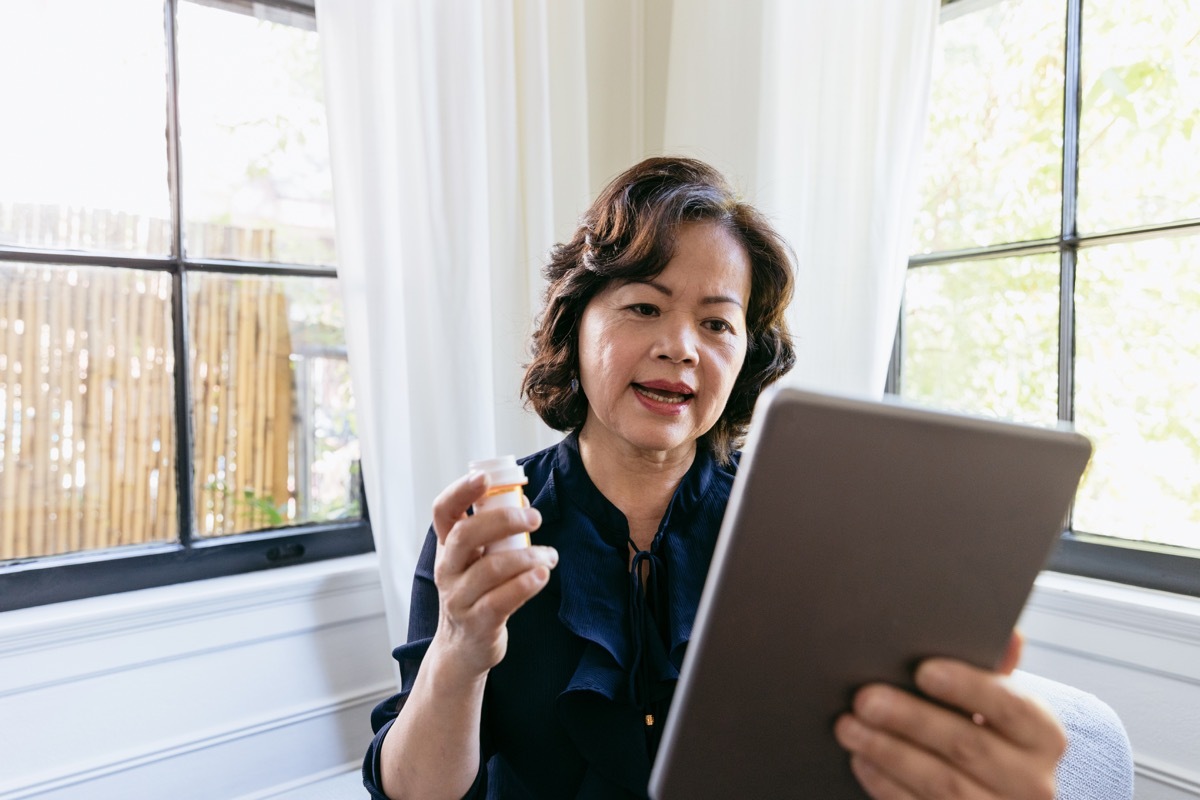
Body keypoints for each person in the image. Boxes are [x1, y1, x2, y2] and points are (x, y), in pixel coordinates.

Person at [362, 157, 1066, 800]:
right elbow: (412, 792)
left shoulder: (795, 528)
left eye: (717, 324)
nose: (680, 348)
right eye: (644, 307)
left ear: (745, 358)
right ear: (575, 326)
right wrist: (459, 648)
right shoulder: (489, 526)